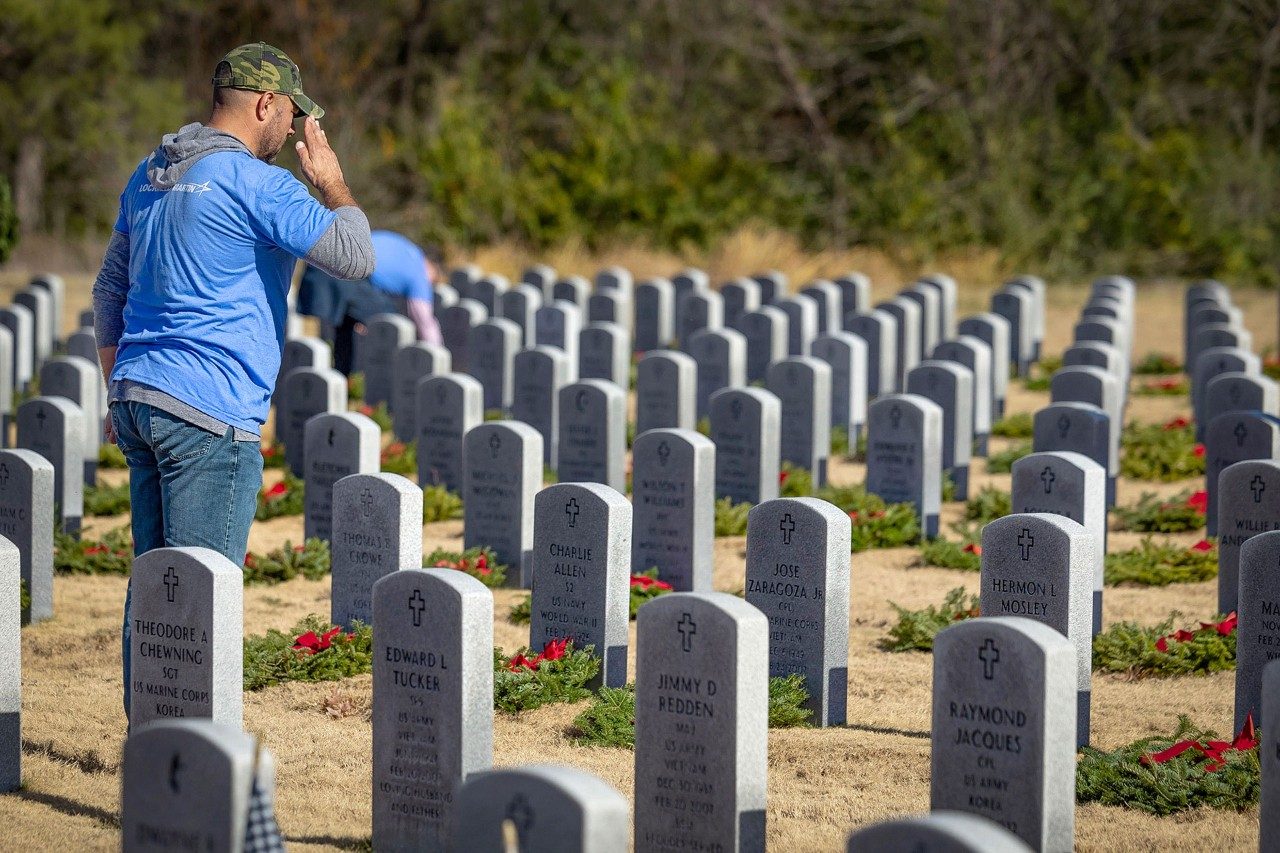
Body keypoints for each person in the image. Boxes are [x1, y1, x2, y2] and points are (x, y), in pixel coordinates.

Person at [91, 42, 374, 718]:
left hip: (139, 398)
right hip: (208, 415)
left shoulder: (151, 173)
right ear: (266, 104)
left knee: (155, 588)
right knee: (201, 599)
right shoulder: (260, 184)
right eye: (291, 117)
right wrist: (331, 181)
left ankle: (151, 744)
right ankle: (191, 765)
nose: (292, 134)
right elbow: (357, 256)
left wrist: (116, 384)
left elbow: (108, 291)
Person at [298, 229, 445, 374]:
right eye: (433, 280)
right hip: (351, 272)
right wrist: (438, 358)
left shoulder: (406, 249)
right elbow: (423, 319)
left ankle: (342, 375)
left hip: (335, 263)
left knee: (346, 325)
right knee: (391, 320)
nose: (430, 284)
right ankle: (386, 375)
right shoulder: (419, 271)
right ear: (431, 266)